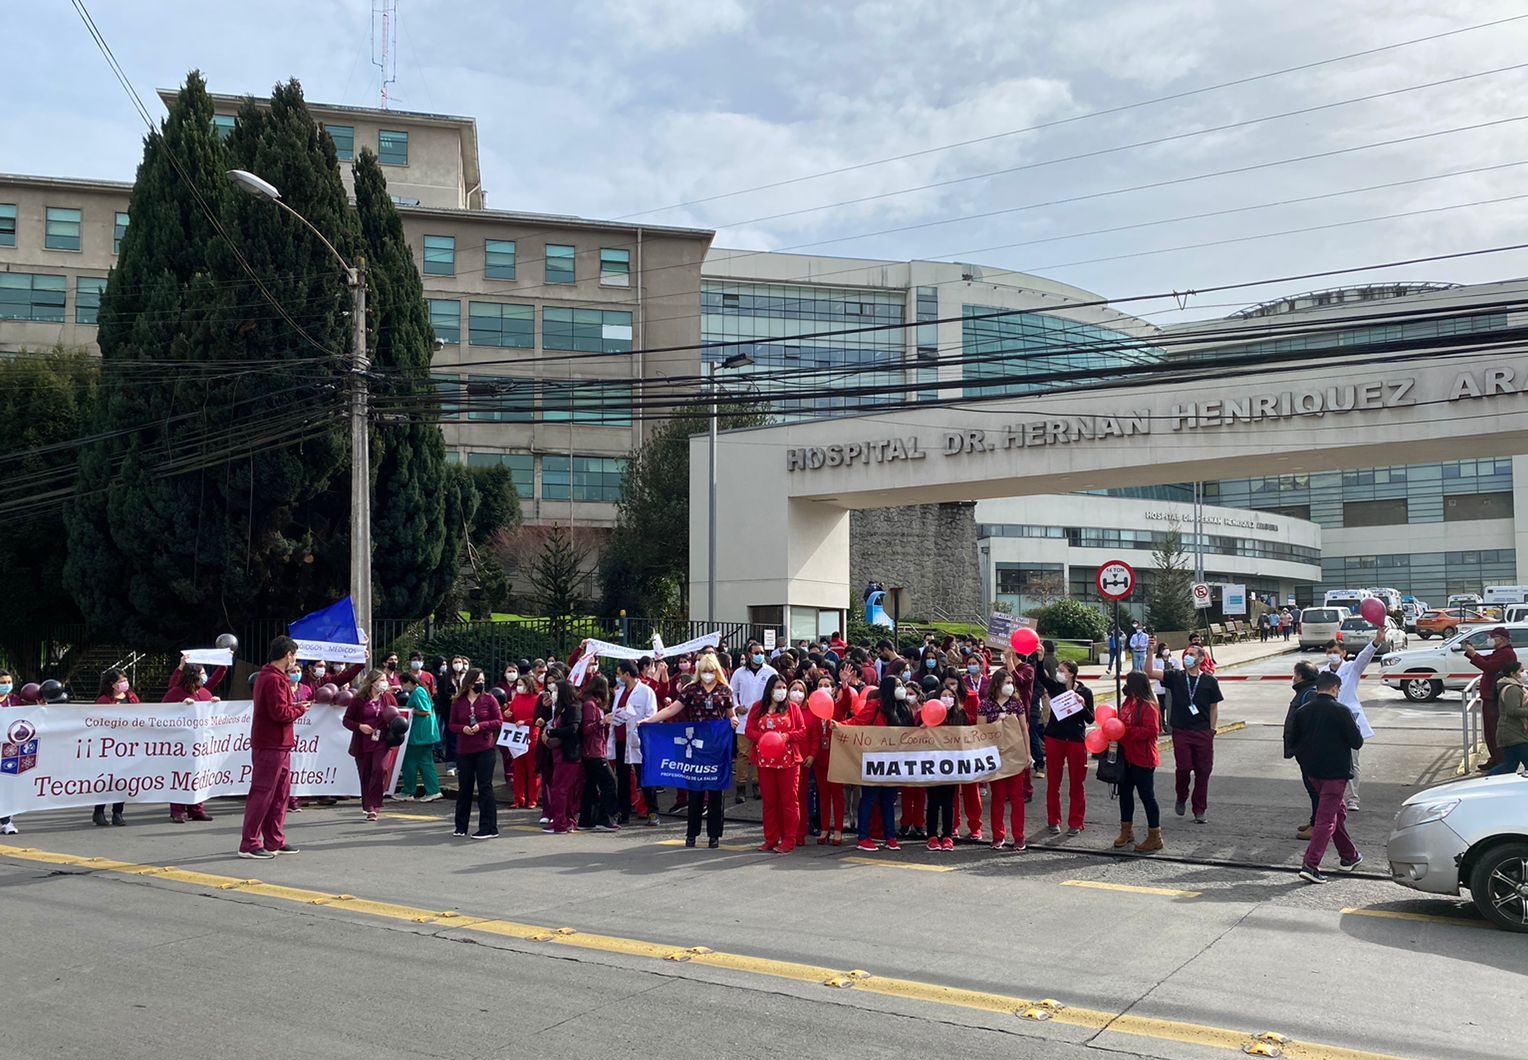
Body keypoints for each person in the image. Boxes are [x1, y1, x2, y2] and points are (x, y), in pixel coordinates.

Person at [644, 652, 737, 848]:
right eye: (704, 671)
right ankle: (691, 833)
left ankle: (714, 834)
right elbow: (672, 709)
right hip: (694, 745)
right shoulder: (690, 689)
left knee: (715, 791)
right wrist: (650, 720)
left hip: (716, 746)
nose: (708, 674)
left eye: (711, 671)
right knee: (695, 789)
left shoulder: (725, 690)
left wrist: (733, 720)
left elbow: (730, 714)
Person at [1291, 670, 1365, 884]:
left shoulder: (1303, 711)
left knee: (1337, 813)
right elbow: (1356, 742)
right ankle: (1311, 864)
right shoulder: (1342, 711)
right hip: (1335, 773)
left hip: (1313, 772)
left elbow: (1295, 740)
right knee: (1326, 820)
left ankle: (1349, 856)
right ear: (1335, 688)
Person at [240, 636, 308, 859]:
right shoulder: (273, 679)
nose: (295, 661)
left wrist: (294, 708)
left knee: (280, 794)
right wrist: (299, 710)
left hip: (280, 744)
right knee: (263, 792)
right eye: (294, 656)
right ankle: (249, 843)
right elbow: (280, 713)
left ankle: (273, 840)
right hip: (270, 744)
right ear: (288, 655)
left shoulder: (275, 677)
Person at [1148, 640, 1222, 824]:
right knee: (1183, 767)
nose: (1188, 657)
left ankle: (1199, 809)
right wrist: (1150, 651)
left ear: (1201, 658)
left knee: (1203, 771)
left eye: (1192, 654)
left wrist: (1212, 729)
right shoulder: (1176, 677)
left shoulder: (1210, 681)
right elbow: (1149, 672)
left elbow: (1214, 707)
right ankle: (1181, 796)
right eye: (1187, 654)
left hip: (1203, 732)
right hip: (1181, 730)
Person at [843, 675, 914, 853]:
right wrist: (839, 726)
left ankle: (890, 837)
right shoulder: (875, 706)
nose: (901, 688)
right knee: (869, 798)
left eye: (902, 685)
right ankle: (863, 837)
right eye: (898, 685)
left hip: (894, 763)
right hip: (874, 762)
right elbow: (857, 723)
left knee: (888, 800)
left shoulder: (904, 708)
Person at [1322, 629, 1382, 811]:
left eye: (1336, 652)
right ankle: (1333, 796)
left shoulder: (1351, 668)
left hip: (1349, 719)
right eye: (1329, 652)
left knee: (1352, 762)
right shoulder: (1321, 673)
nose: (1332, 655)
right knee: (1329, 760)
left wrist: (1376, 642)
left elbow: (1364, 657)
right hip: (1328, 721)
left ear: (1343, 654)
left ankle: (1352, 798)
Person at [162, 655, 226, 824]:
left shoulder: (205, 693)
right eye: (202, 673)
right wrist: (180, 706)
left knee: (199, 774)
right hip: (181, 743)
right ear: (193, 675)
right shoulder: (176, 693)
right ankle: (177, 810)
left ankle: (197, 809)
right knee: (180, 776)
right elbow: (164, 711)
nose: (205, 677)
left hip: (201, 743)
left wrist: (214, 705)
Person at [747, 675, 807, 853]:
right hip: (765, 762)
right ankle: (771, 838)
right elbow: (749, 729)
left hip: (788, 762)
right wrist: (763, 738)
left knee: (789, 801)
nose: (781, 690)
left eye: (783, 687)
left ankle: (789, 839)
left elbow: (802, 731)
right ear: (770, 689)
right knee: (770, 802)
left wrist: (786, 736)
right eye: (777, 687)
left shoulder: (793, 708)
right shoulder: (759, 707)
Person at [976, 664, 1033, 851]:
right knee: (998, 798)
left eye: (1012, 683)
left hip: (1015, 756)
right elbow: (980, 732)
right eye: (1007, 682)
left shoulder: (1016, 703)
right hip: (996, 757)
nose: (1011, 686)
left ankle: (1019, 836)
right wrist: (997, 722)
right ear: (998, 684)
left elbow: (1024, 730)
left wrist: (1028, 754)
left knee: (1017, 798)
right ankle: (997, 836)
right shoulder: (985, 704)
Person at [448, 667, 501, 839]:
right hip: (465, 749)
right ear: (469, 683)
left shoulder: (490, 699)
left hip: (484, 748)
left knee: (485, 787)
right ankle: (461, 825)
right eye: (477, 681)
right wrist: (463, 728)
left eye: (482, 681)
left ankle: (489, 827)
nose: (480, 684)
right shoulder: (458, 701)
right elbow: (452, 725)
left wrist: (482, 725)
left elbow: (498, 721)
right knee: (465, 788)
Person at [1114, 671, 1164, 853]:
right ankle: (1126, 831)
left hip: (1143, 758)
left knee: (1147, 796)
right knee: (1125, 794)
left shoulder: (1148, 706)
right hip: (1126, 757)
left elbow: (1151, 731)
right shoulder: (1128, 702)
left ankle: (1155, 836)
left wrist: (1126, 731)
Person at [1044, 660, 1094, 836]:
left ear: (1072, 673)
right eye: (1058, 670)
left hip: (1075, 740)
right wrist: (1041, 659)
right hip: (1054, 738)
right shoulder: (1055, 687)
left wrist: (1082, 704)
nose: (1059, 673)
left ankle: (1076, 821)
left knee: (1077, 783)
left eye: (1062, 670)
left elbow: (1090, 719)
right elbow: (1041, 677)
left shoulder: (1085, 692)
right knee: (1053, 781)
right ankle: (1053, 820)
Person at [609, 660, 658, 826]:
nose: (618, 677)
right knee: (622, 778)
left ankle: (653, 812)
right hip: (621, 739)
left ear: (627, 674)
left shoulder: (646, 691)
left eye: (619, 673)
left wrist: (641, 723)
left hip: (638, 740)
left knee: (643, 776)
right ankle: (623, 813)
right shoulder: (620, 692)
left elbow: (652, 715)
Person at [344, 669, 396, 822]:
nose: (384, 683)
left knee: (380, 769)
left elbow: (395, 716)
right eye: (381, 680)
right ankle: (367, 805)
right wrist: (359, 726)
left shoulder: (388, 698)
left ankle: (375, 805)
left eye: (385, 679)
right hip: (363, 742)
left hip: (382, 741)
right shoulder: (358, 700)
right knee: (366, 773)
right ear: (373, 682)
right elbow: (346, 720)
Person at [1465, 627, 1518, 773]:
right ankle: (1495, 758)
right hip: (1489, 696)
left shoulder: (1506, 653)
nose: (1491, 640)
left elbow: (1488, 667)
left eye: (1494, 637)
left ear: (1502, 639)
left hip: (1494, 697)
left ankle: (1500, 760)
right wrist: (1471, 654)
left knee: (1494, 730)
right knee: (1489, 730)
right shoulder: (1500, 652)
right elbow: (1487, 660)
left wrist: (1474, 654)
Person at [92, 669, 139, 827]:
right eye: (120, 681)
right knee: (106, 781)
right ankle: (99, 811)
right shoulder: (104, 700)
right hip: (108, 746)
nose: (124, 684)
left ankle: (117, 812)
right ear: (112, 684)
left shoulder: (131, 698)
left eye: (125, 680)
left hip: (127, 745)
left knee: (122, 781)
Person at [730, 643, 776, 803]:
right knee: (743, 754)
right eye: (756, 652)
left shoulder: (770, 672)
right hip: (744, 719)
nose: (759, 655)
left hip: (764, 719)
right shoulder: (739, 673)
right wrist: (736, 706)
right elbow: (731, 692)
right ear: (749, 654)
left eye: (762, 652)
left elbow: (776, 692)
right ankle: (740, 787)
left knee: (761, 753)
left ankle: (757, 784)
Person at [1283, 660, 1322, 840]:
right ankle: (1315, 820)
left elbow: (1312, 725)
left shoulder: (1310, 694)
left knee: (1315, 789)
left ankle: (1318, 826)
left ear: (1301, 676)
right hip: (1306, 750)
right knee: (1312, 788)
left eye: (1295, 673)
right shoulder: (1305, 691)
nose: (1293, 677)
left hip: (1310, 751)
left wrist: (1303, 746)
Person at [543, 680, 585, 835]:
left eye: (555, 691)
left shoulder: (574, 708)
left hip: (569, 754)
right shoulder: (562, 709)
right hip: (559, 754)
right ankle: (566, 821)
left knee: (560, 789)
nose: (553, 694)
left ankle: (561, 823)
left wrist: (552, 732)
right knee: (562, 789)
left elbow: (572, 729)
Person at [578, 673, 619, 832]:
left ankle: (587, 820)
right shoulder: (590, 705)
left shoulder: (594, 704)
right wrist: (602, 722)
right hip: (593, 752)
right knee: (609, 783)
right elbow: (587, 729)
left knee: (590, 786)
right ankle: (605, 818)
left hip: (595, 750)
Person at [396, 671, 441, 802]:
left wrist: (412, 711)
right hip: (426, 734)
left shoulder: (418, 692)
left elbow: (425, 711)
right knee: (426, 763)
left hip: (419, 734)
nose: (403, 686)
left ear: (409, 682)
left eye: (403, 683)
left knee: (410, 762)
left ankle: (408, 791)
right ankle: (433, 790)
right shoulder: (421, 690)